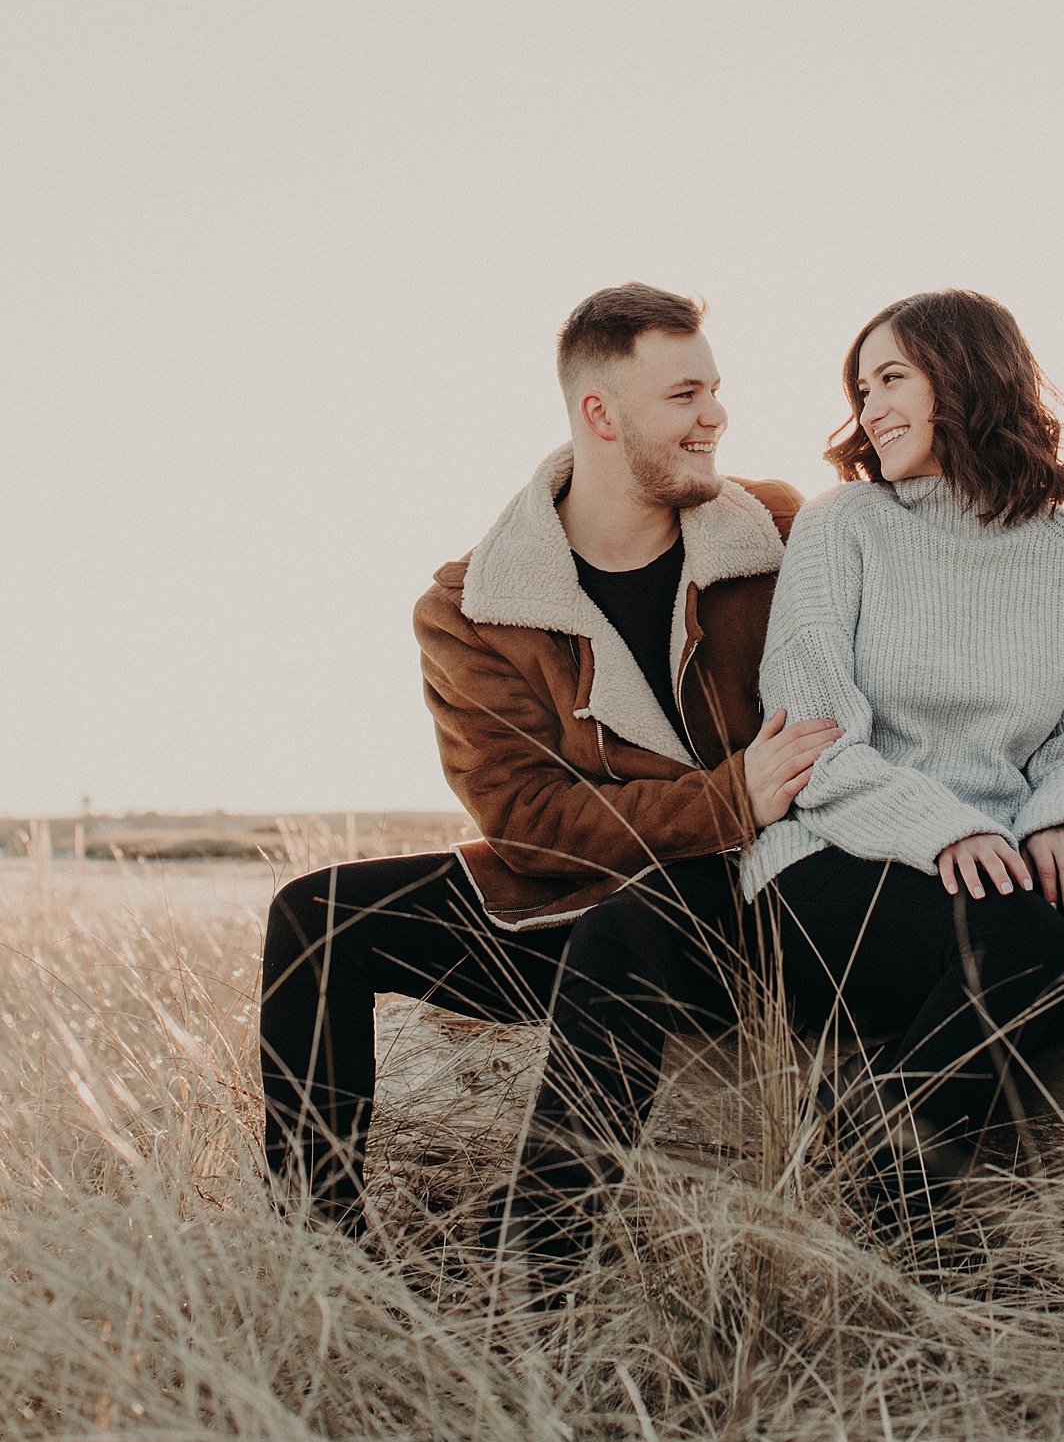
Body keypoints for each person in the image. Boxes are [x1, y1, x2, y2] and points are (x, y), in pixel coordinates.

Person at [514, 290, 1064, 1264]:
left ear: (971, 374)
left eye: (892, 378)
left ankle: (890, 1098)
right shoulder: (842, 525)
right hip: (835, 868)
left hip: (1003, 878)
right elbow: (815, 743)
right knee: (1017, 930)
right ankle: (889, 1167)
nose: (871, 409)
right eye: (861, 389)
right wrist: (949, 832)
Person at [259, 282, 834, 1229]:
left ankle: (536, 1256)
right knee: (314, 918)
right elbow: (528, 824)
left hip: (760, 904)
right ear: (599, 414)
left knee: (643, 920)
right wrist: (726, 801)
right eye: (685, 395)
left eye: (716, 389)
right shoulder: (474, 608)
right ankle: (318, 1247)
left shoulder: (774, 534)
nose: (716, 417)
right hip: (578, 909)